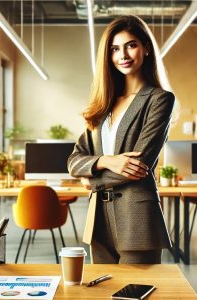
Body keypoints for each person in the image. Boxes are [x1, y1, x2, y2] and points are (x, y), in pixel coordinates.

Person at [68, 15, 176, 264]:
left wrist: (91, 179)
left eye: (131, 45)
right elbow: (74, 160)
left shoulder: (159, 99)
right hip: (98, 221)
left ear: (146, 47)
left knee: (133, 293)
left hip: (136, 217)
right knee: (103, 291)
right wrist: (106, 160)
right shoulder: (102, 104)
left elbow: (137, 166)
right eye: (115, 48)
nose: (123, 55)